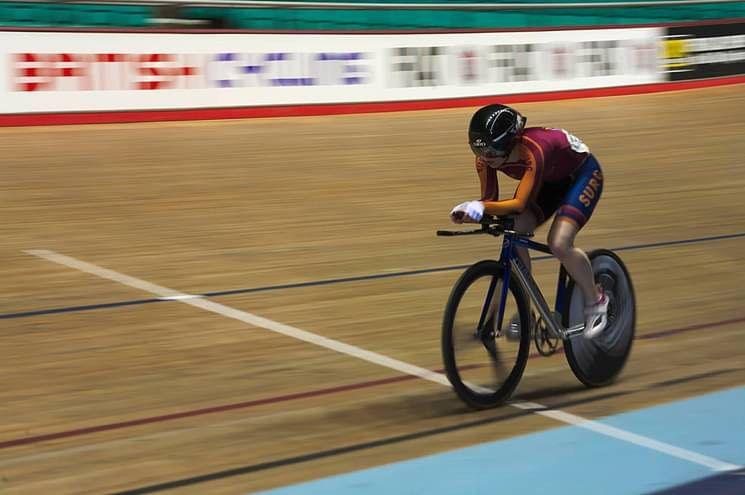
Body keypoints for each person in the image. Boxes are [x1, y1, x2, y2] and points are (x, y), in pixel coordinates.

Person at [450, 103, 608, 339]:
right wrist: (472, 212)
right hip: (549, 182)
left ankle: (597, 300)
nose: (485, 157)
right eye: (478, 150)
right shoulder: (485, 159)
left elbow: (518, 204)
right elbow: (490, 200)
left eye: (492, 151)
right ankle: (527, 311)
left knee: (559, 242)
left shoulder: (534, 150)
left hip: (582, 175)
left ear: (510, 141)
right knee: (515, 229)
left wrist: (480, 207)